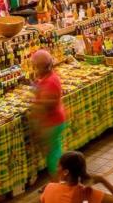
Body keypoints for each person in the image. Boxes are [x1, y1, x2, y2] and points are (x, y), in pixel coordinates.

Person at [30, 49, 66, 180]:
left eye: (35, 66)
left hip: (52, 123)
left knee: (53, 154)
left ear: (41, 66)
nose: (34, 69)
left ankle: (57, 182)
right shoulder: (48, 78)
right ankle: (56, 181)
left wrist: (35, 102)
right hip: (55, 121)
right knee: (53, 151)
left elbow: (49, 104)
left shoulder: (50, 82)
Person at [40, 151, 113, 203]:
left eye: (58, 166)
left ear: (66, 172)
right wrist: (103, 180)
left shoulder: (49, 188)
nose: (56, 170)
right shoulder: (87, 193)